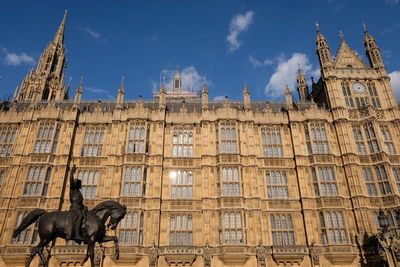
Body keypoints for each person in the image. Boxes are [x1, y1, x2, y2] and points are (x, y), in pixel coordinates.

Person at [67, 165, 86, 242]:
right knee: (80, 216)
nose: (75, 182)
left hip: (80, 207)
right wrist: (72, 172)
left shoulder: (78, 192)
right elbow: (71, 180)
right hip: (75, 208)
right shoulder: (73, 190)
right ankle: (77, 234)